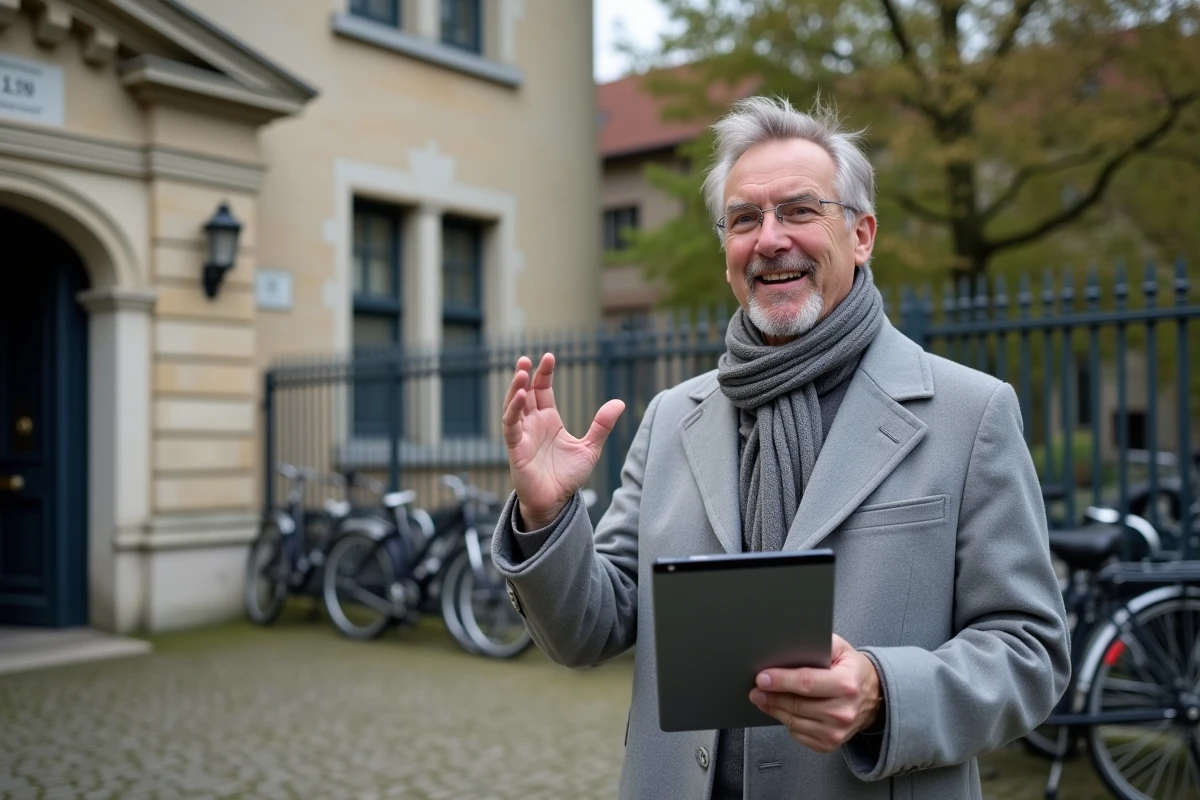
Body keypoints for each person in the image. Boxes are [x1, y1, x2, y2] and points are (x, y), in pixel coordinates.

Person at [491, 96, 1070, 799]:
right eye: (744, 219)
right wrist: (548, 516)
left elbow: (1030, 653)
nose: (769, 239)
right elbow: (591, 627)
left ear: (861, 234)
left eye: (799, 210)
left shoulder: (969, 412)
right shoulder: (674, 417)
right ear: (727, 250)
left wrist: (885, 692)